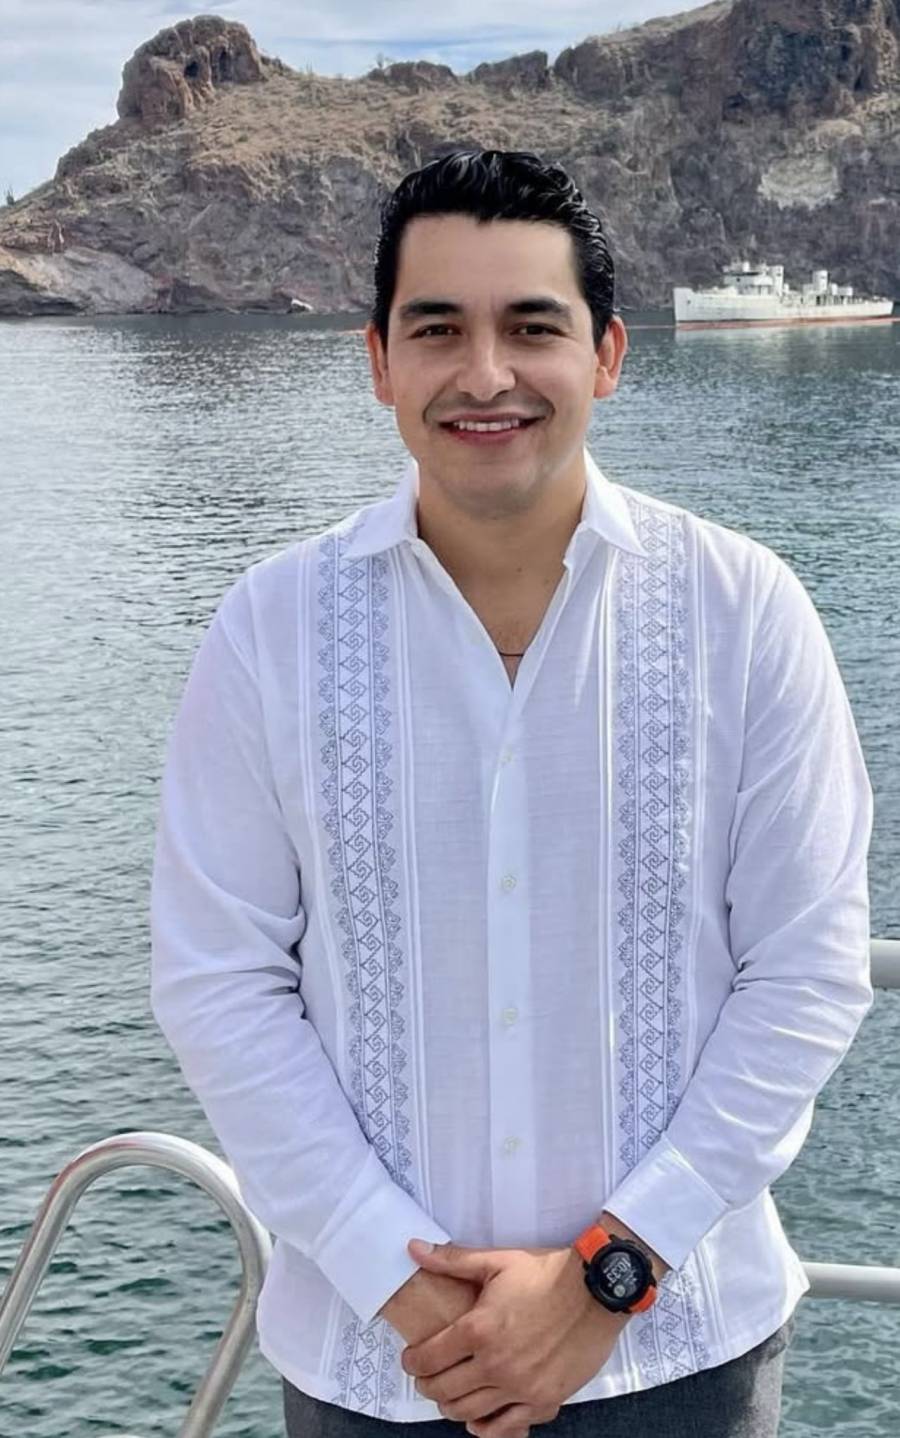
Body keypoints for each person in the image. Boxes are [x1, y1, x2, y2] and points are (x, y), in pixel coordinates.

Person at [149, 150, 873, 1438]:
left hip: (679, 1360)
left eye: (532, 327)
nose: (486, 374)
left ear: (607, 355)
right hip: (378, 1367)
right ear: (380, 362)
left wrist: (607, 1277)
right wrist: (402, 1286)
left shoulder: (744, 611)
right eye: (439, 328)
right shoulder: (271, 631)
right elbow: (220, 980)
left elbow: (805, 973)